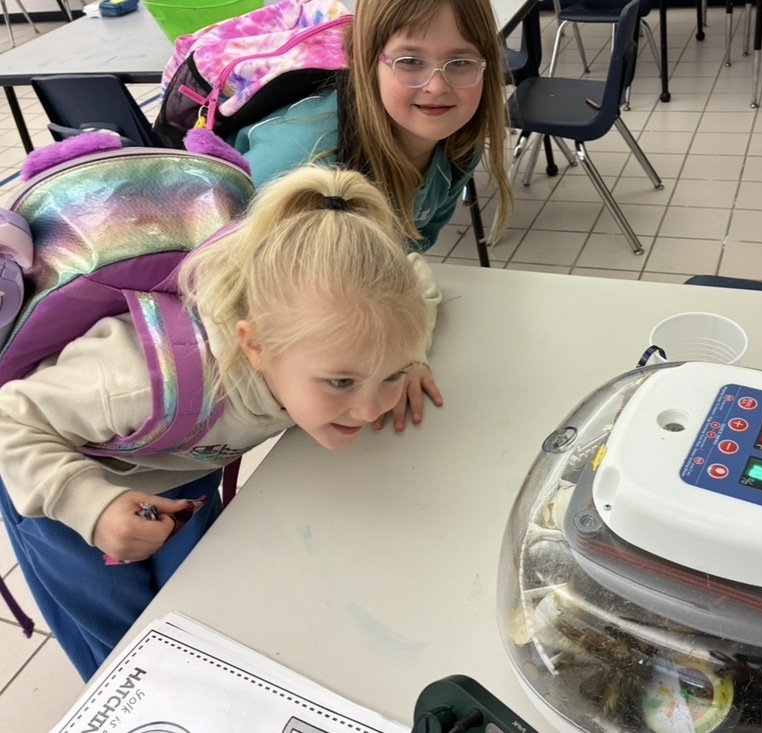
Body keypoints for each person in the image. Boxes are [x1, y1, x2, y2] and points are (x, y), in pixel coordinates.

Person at [0, 165, 442, 680]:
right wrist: (88, 505)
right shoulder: (137, 378)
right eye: (341, 382)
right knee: (125, 645)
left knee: (196, 616)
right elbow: (11, 418)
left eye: (389, 376)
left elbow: (417, 280)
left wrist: (411, 359)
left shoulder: (338, 331)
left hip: (183, 461)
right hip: (60, 479)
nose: (370, 410)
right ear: (254, 345)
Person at [230, 0, 514, 251]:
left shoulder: (460, 147)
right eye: (410, 61)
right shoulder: (299, 159)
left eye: (460, 62)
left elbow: (412, 248)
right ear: (364, 59)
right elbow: (222, 270)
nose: (437, 86)